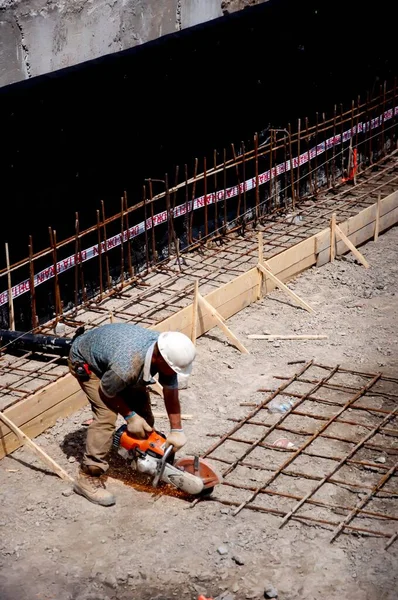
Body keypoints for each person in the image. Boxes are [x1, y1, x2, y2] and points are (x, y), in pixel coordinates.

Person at [67, 322, 196, 506]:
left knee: (144, 415)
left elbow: (170, 392)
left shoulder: (165, 353)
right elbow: (106, 391)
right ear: (159, 358)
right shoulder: (129, 364)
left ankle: (139, 457)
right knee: (106, 415)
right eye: (173, 369)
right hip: (86, 360)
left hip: (114, 359)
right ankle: (88, 476)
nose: (174, 374)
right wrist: (129, 416)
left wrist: (177, 429)